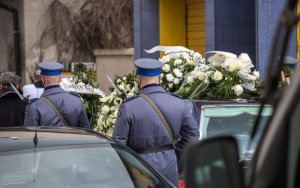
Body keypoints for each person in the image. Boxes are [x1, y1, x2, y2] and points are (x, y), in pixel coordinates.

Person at [112, 58, 199, 186]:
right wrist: (176, 158)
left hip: (139, 171)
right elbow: (192, 135)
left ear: (139, 80)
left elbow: (118, 144)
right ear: (160, 78)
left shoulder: (129, 106)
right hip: (169, 168)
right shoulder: (179, 103)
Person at [24, 60, 90, 129]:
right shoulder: (76, 100)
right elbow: (86, 131)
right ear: (61, 78)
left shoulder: (34, 106)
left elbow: (29, 135)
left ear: (42, 79)